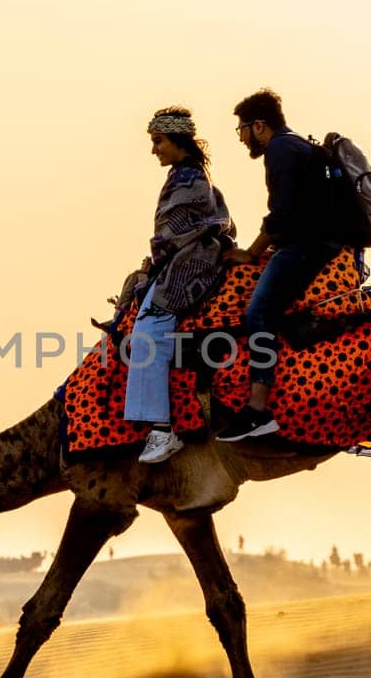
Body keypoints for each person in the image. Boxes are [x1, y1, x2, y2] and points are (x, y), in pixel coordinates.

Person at [217, 88, 347, 441]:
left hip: (306, 247)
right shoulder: (297, 146)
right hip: (315, 241)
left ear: (259, 126)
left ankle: (258, 409)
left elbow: (281, 215)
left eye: (242, 130)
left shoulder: (279, 150)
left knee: (257, 315)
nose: (242, 138)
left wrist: (251, 253)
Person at [123, 107, 236, 464]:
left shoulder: (188, 180)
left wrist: (154, 265)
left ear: (177, 142)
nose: (154, 149)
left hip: (191, 264)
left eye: (158, 141)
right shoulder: (187, 176)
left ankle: (161, 429)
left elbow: (174, 234)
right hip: (188, 258)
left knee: (150, 330)